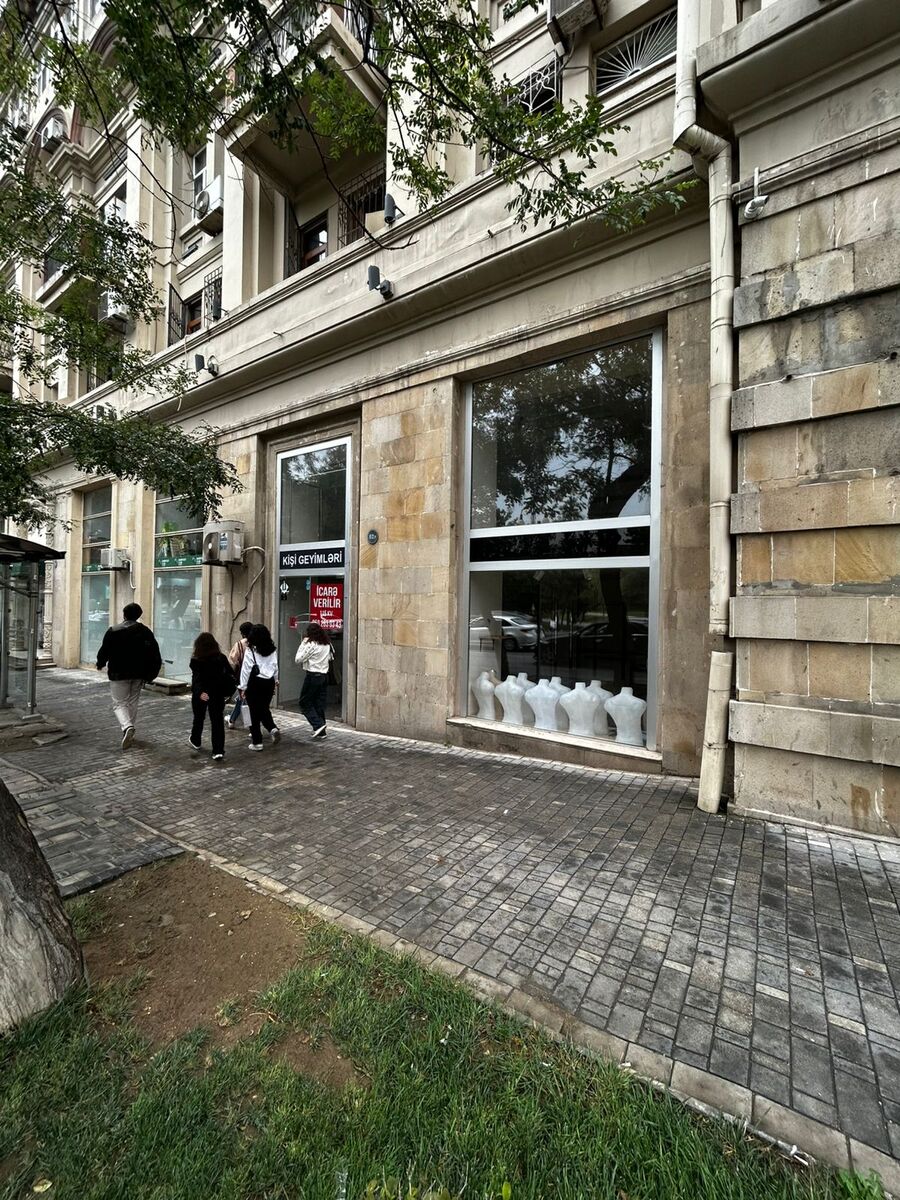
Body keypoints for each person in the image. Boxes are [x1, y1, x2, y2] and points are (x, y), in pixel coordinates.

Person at [96, 602, 162, 749]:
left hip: (118, 673)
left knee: (119, 703)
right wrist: (151, 674)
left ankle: (127, 727)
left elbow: (104, 650)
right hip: (138, 673)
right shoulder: (145, 632)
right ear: (139, 615)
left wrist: (100, 663)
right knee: (132, 702)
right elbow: (154, 653)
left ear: (124, 614)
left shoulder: (113, 631)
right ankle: (129, 730)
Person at [188, 632, 237, 762]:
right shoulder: (221, 658)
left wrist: (200, 692)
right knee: (217, 722)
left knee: (199, 718)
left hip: (202, 694)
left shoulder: (196, 660)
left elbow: (196, 679)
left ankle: (196, 740)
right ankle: (218, 750)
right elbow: (230, 674)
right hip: (217, 693)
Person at [240, 623, 280, 751]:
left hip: (255, 682)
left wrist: (243, 687)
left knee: (253, 712)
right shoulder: (272, 649)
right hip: (269, 682)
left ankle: (257, 742)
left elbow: (246, 670)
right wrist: (276, 679)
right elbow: (275, 665)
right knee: (263, 708)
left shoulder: (251, 650)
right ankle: (272, 728)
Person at [295, 621, 334, 738]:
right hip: (324, 676)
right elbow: (331, 657)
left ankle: (318, 725)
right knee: (318, 703)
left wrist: (303, 643)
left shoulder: (311, 645)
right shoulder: (327, 644)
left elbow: (298, 659)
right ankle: (322, 731)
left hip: (313, 676)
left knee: (304, 703)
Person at [226, 621, 254, 729]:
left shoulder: (239, 644)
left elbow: (232, 661)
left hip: (242, 676)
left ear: (242, 633)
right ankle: (232, 720)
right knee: (243, 698)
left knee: (243, 699)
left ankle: (248, 725)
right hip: (255, 676)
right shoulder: (257, 643)